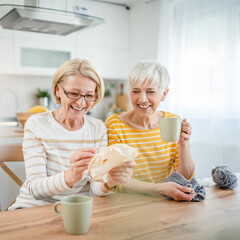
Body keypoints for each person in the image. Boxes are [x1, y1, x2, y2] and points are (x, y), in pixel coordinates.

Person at [9, 58, 135, 210]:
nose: (81, 103)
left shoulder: (98, 129)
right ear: (57, 90)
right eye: (74, 93)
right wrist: (69, 176)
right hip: (34, 209)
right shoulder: (37, 124)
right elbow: (35, 189)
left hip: (76, 210)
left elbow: (95, 187)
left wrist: (110, 182)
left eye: (89, 95)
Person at [105, 60, 195, 201]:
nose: (142, 99)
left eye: (150, 92)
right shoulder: (115, 125)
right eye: (136, 91)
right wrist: (160, 189)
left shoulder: (173, 121)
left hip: (166, 202)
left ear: (164, 94)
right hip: (126, 203)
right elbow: (116, 180)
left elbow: (185, 176)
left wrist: (184, 143)